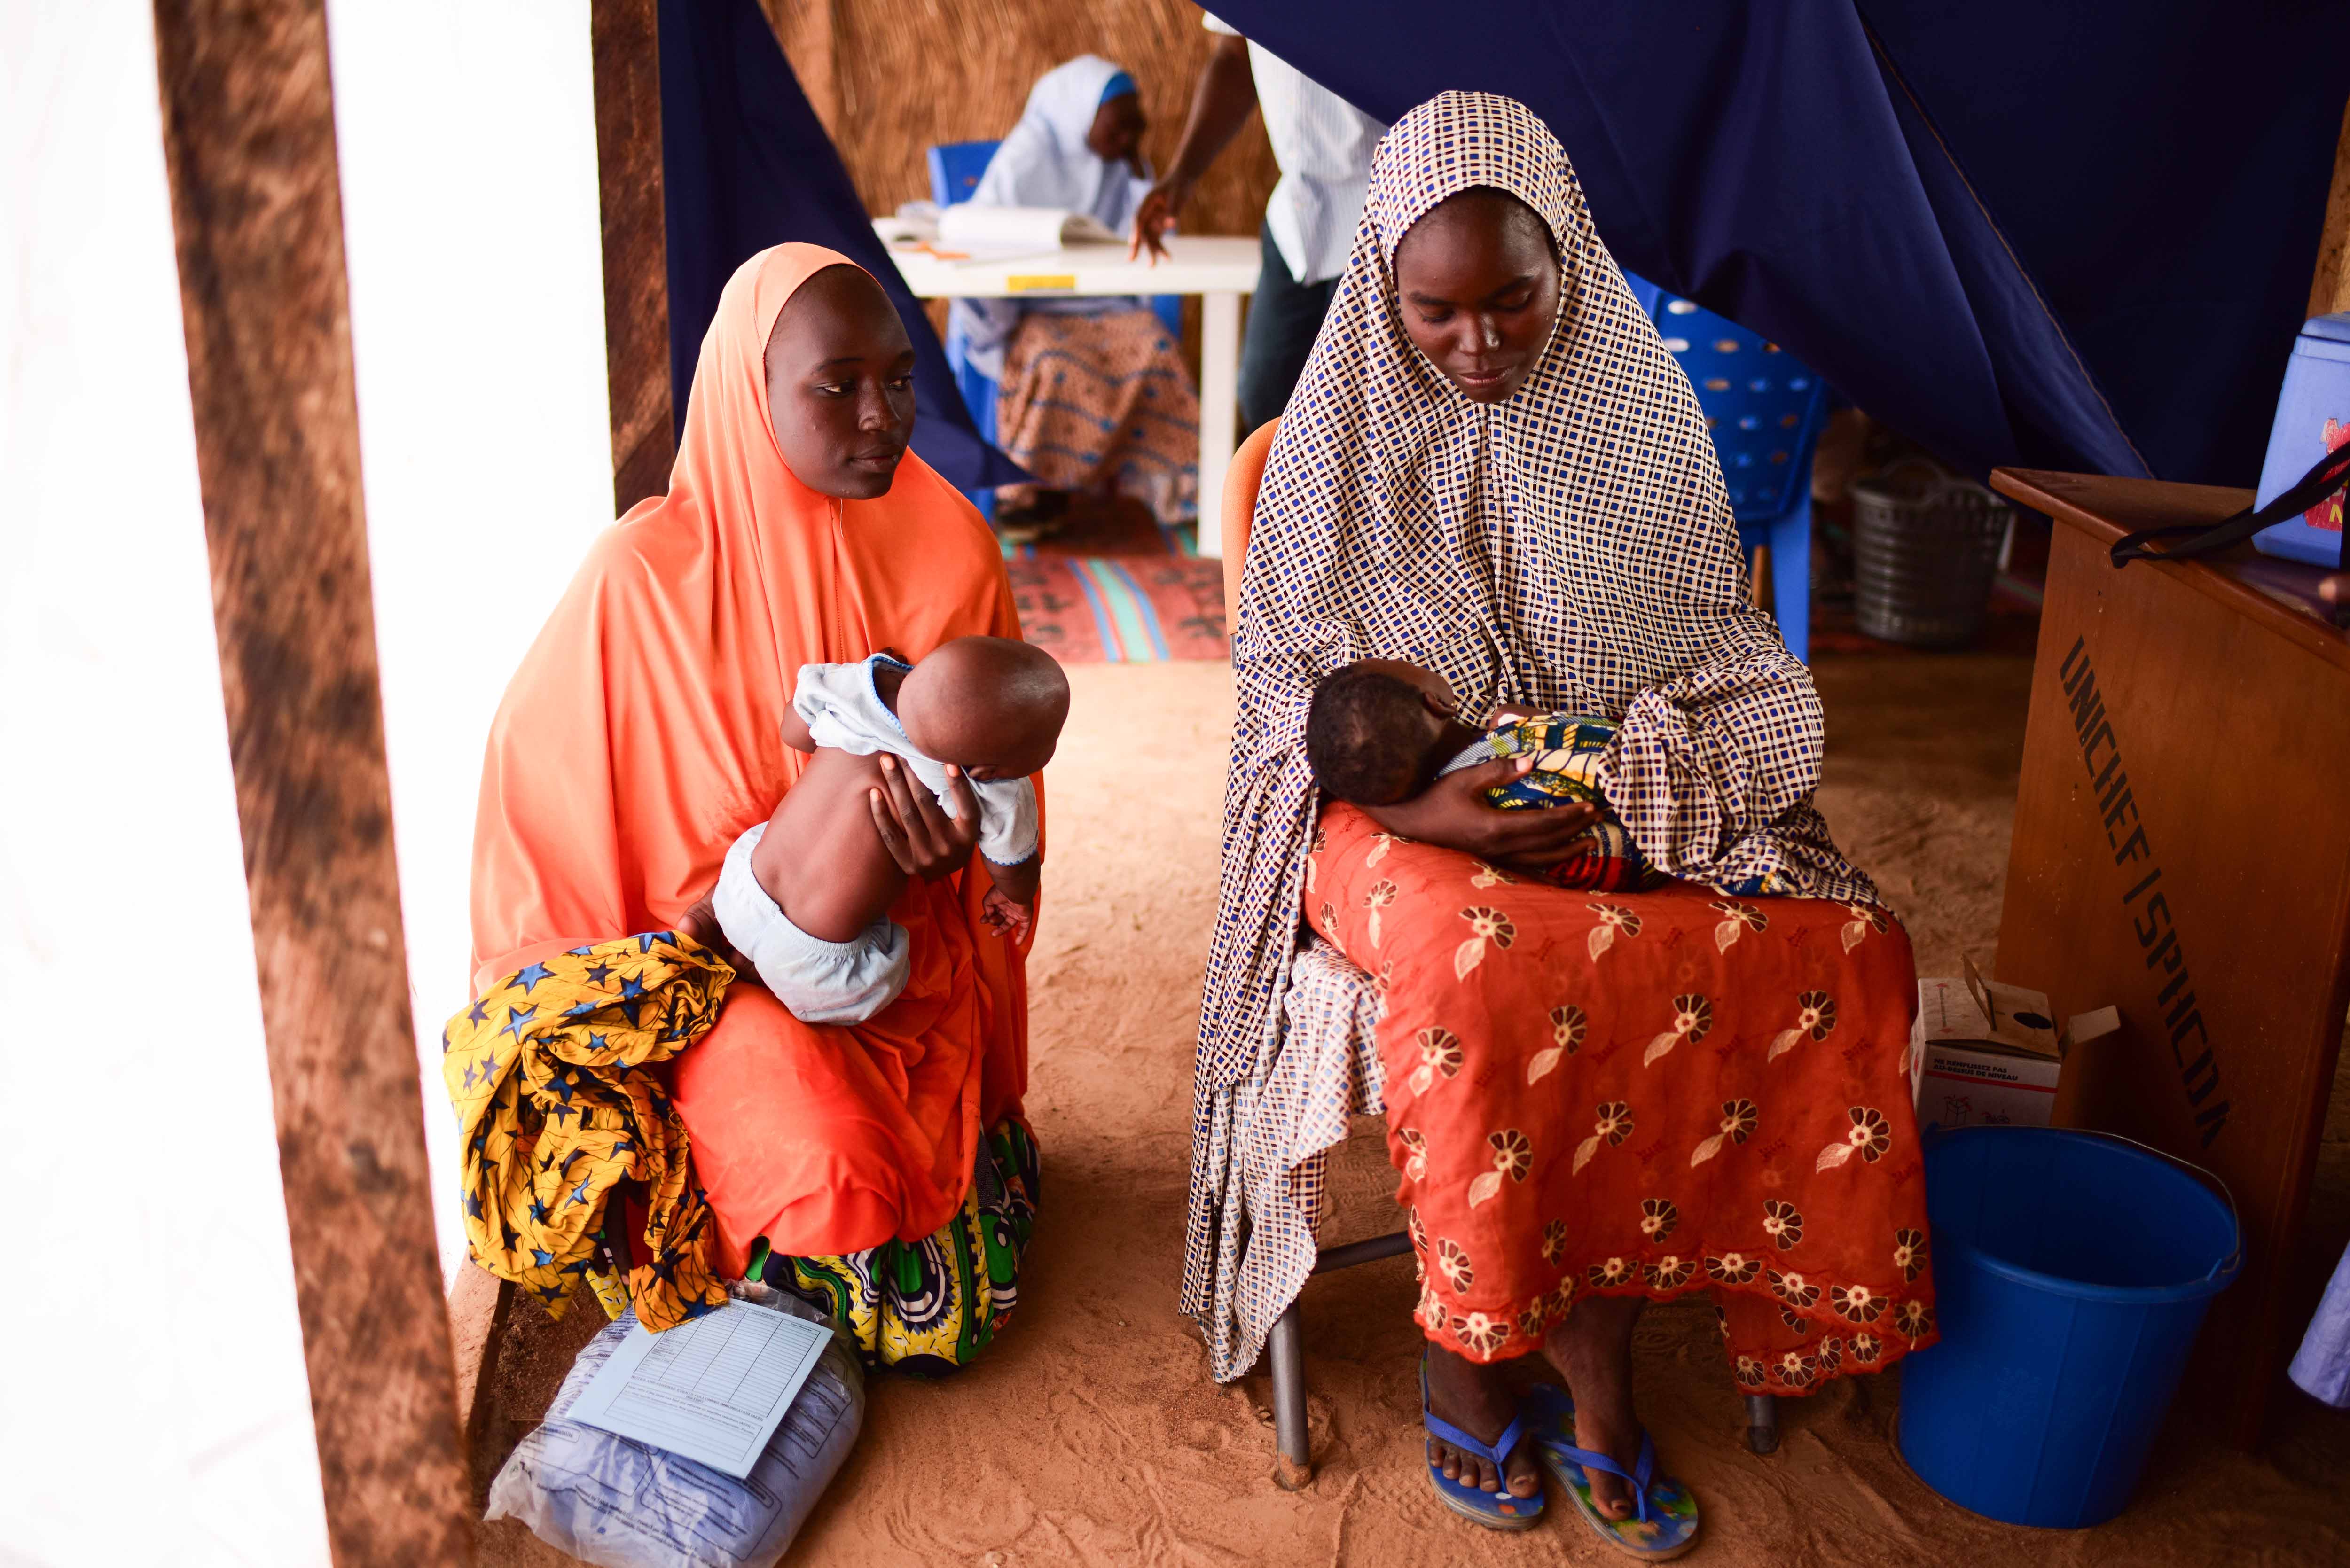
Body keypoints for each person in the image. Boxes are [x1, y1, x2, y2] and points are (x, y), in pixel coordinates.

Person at [1189, 93, 1935, 1558]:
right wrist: (1421, 798)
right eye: (1435, 312)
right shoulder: (1325, 446)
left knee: (1828, 944)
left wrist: (1624, 776)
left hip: (1594, 784)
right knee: (1484, 963)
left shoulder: (1640, 420)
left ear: (1570, 271)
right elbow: (1280, 698)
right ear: (1379, 293)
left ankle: (1592, 1338)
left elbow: (1727, 655)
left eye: (1514, 303)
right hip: (1382, 806)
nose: (1478, 345)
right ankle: (1477, 1345)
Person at [472, 243, 1042, 1376]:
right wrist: (698, 943)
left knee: (946, 1283)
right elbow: (552, 853)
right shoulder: (638, 580)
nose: (880, 415)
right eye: (837, 386)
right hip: (711, 979)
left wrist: (951, 863)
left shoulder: (952, 547)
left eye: (899, 379)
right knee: (832, 1168)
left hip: (899, 964)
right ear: (752, 388)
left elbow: (1007, 806)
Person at [708, 637, 1068, 1025]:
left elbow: (793, 732)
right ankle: (766, 974)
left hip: (742, 890)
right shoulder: (994, 789)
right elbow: (1013, 864)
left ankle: (708, 916)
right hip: (819, 965)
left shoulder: (862, 685)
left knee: (768, 839)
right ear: (992, 769)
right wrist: (1016, 895)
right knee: (889, 977)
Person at [951, 55, 1200, 533]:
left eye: (1136, 129)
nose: (1127, 140)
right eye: (1116, 130)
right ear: (1078, 116)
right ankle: (1027, 495)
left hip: (1104, 305)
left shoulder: (1123, 165)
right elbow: (977, 230)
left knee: (1155, 349)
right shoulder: (1028, 153)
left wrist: (1139, 182)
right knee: (1055, 363)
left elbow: (1151, 239)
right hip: (1034, 309)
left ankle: (1168, 492)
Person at [1129, 15, 1383, 433]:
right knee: (1266, 394)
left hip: (1383, 211)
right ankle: (1277, 498)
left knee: (1365, 409)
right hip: (1298, 216)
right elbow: (1235, 55)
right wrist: (1183, 175)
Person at [1304, 657, 1660, 891]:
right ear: (1437, 702)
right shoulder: (1513, 736)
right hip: (1654, 789)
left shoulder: (1472, 821)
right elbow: (1612, 741)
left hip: (1630, 870)